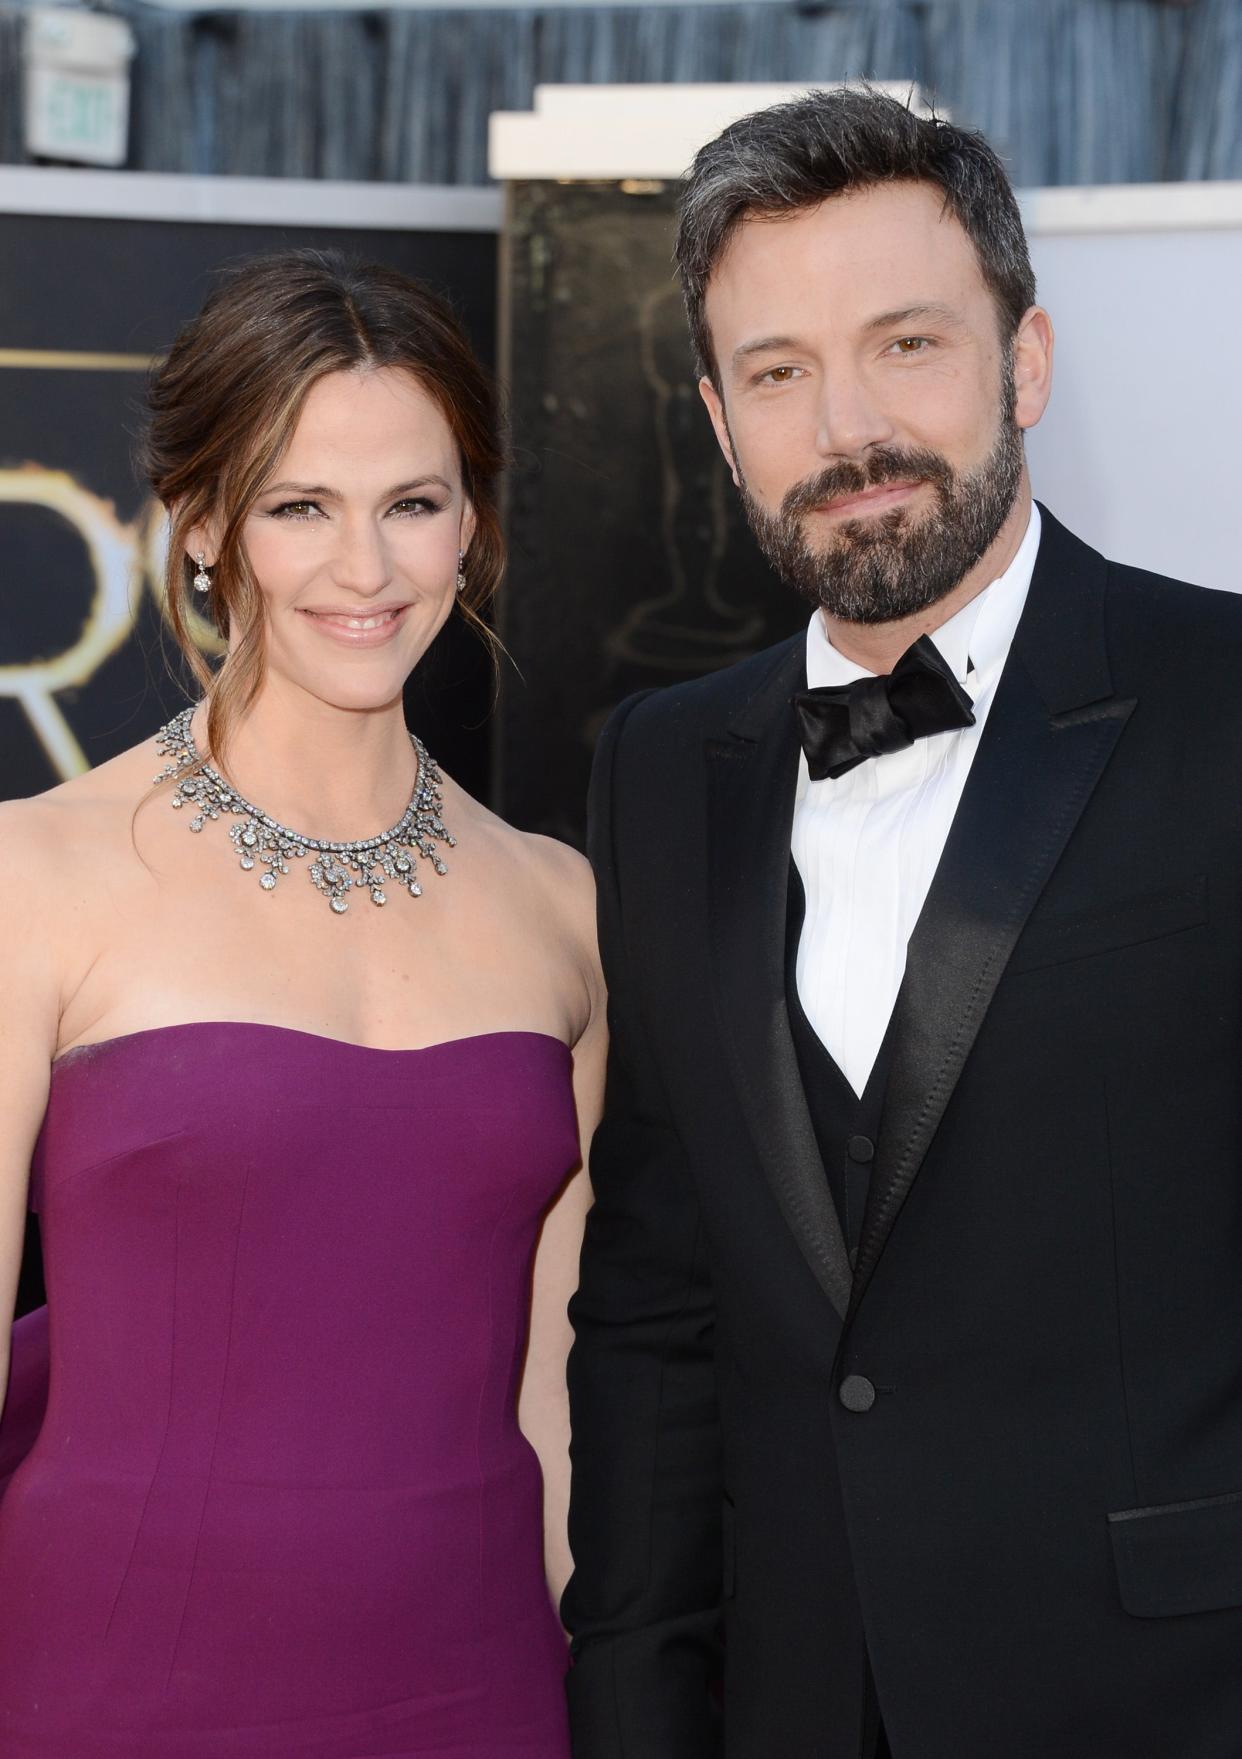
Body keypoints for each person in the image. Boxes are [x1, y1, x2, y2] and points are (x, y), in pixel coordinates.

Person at [561, 85, 1242, 1759]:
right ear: (719, 424)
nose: (844, 427)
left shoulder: (1224, 703)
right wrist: (635, 1698)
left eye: (905, 344)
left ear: (1022, 363)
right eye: (778, 372)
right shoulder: (658, 768)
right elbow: (652, 1304)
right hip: (787, 1701)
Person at [0, 249, 604, 1759]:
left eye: (412, 503)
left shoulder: (562, 909)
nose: (367, 570)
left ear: (470, 521)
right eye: (298, 508)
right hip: (113, 1684)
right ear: (203, 527)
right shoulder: (37, 876)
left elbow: (560, 1392)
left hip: (482, 1682)